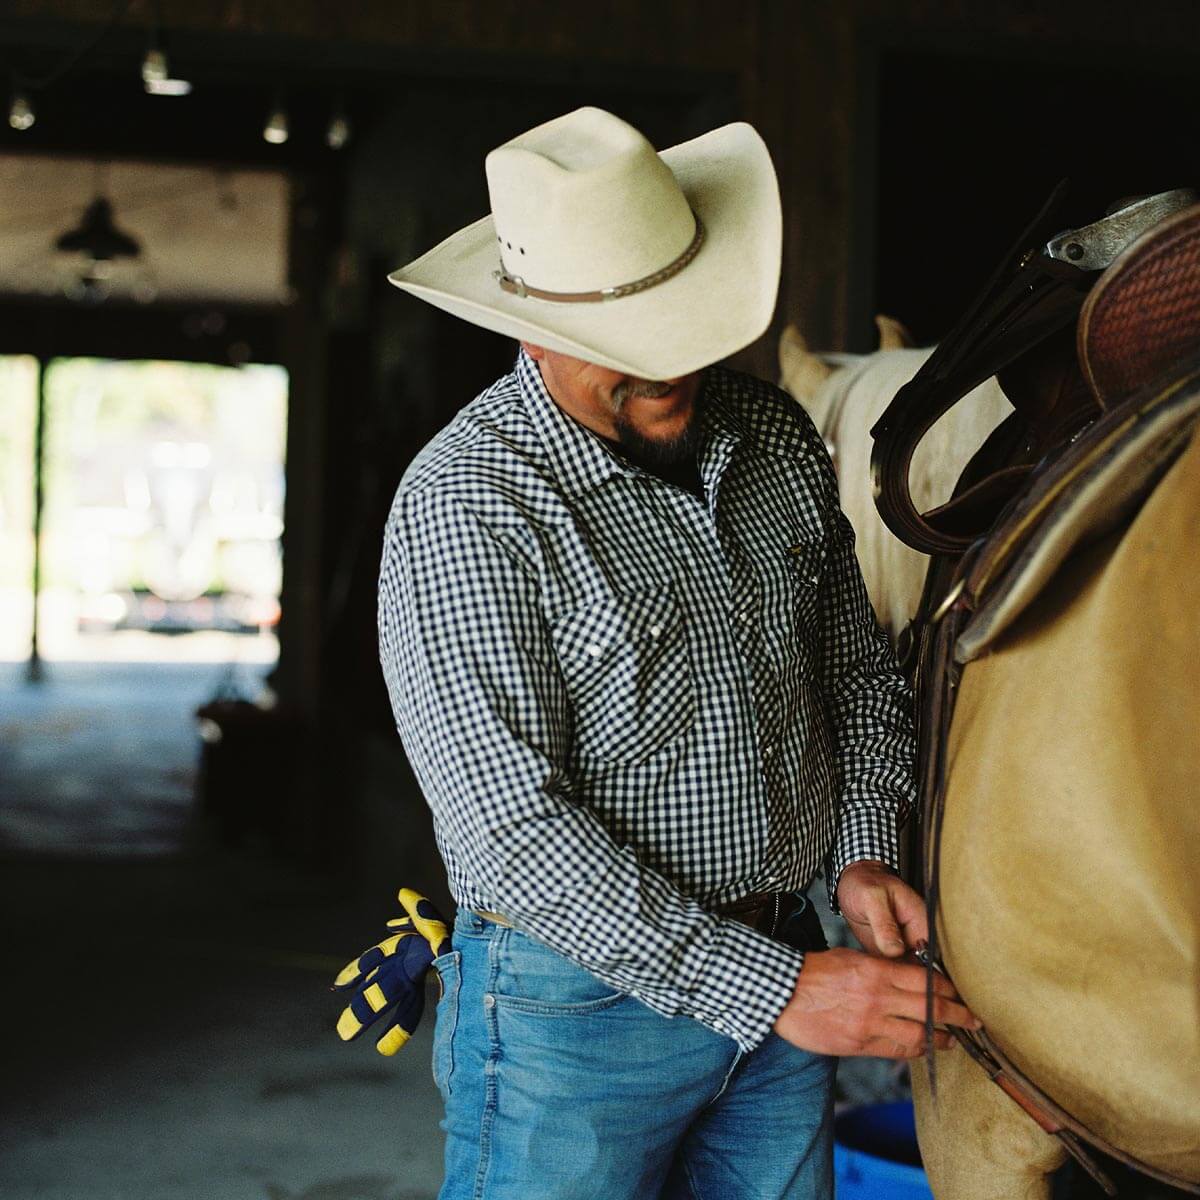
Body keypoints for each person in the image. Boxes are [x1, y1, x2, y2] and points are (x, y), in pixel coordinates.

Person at [373, 106, 976, 1200]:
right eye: (623, 347)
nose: (669, 373)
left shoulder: (779, 440)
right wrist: (779, 991)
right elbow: (509, 833)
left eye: (683, 327)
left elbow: (851, 671)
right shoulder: (470, 504)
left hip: (789, 958)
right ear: (529, 325)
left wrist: (863, 850)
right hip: (576, 1012)